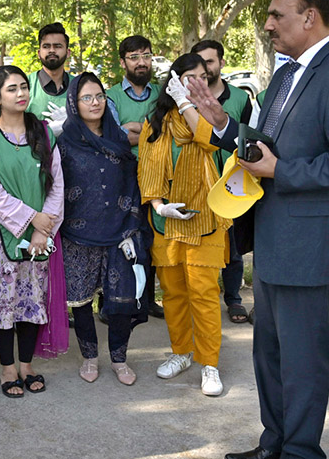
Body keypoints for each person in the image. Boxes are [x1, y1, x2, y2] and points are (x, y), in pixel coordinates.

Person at [186, 0, 329, 459]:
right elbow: (265, 145)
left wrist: (283, 171)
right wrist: (224, 125)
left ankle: (300, 452)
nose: (268, 23)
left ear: (310, 16)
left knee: (303, 361)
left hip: (313, 245)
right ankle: (274, 444)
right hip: (275, 238)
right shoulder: (284, 75)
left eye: (278, 15)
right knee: (269, 354)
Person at [138, 53, 232, 397]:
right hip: (166, 222)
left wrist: (187, 102)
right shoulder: (156, 122)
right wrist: (160, 207)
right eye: (189, 78)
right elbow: (147, 167)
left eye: (202, 78)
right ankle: (182, 352)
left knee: (204, 295)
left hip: (204, 219)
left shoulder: (211, 116)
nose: (198, 84)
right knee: (174, 294)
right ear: (174, 79)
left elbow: (208, 139)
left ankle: (210, 364)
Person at [0, 65, 64, 397]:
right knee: (3, 303)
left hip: (40, 236)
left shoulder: (43, 132)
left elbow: (56, 184)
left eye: (24, 87)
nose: (21, 93)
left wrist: (45, 227)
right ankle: (7, 368)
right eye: (11, 89)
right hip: (0, 237)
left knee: (32, 301)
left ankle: (27, 365)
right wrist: (31, 219)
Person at [59, 71, 150, 385]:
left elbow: (133, 184)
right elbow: (55, 188)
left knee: (121, 302)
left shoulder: (119, 139)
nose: (94, 102)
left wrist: (132, 226)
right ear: (75, 102)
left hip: (119, 231)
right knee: (81, 302)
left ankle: (120, 359)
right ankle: (89, 357)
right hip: (76, 235)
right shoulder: (64, 141)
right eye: (87, 97)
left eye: (99, 96)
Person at [190, 39, 253, 324]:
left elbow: (251, 142)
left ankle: (234, 299)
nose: (205, 69)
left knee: (233, 246)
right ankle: (201, 299)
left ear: (221, 64)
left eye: (210, 62)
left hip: (230, 186)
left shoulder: (240, 99)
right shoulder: (186, 98)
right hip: (195, 185)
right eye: (199, 63)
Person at [106, 35, 164, 319]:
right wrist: (147, 131)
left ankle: (147, 301)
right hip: (121, 177)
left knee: (148, 239)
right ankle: (113, 302)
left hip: (156, 178)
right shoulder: (110, 96)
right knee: (118, 237)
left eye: (146, 55)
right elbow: (114, 136)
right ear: (122, 62)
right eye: (134, 57)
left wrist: (134, 129)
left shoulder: (162, 94)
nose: (141, 62)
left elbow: (167, 134)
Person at [26, 23, 74, 134]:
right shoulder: (25, 85)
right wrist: (45, 132)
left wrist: (72, 123)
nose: (52, 50)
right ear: (39, 53)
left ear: (68, 53)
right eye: (46, 46)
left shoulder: (79, 86)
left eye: (58, 46)